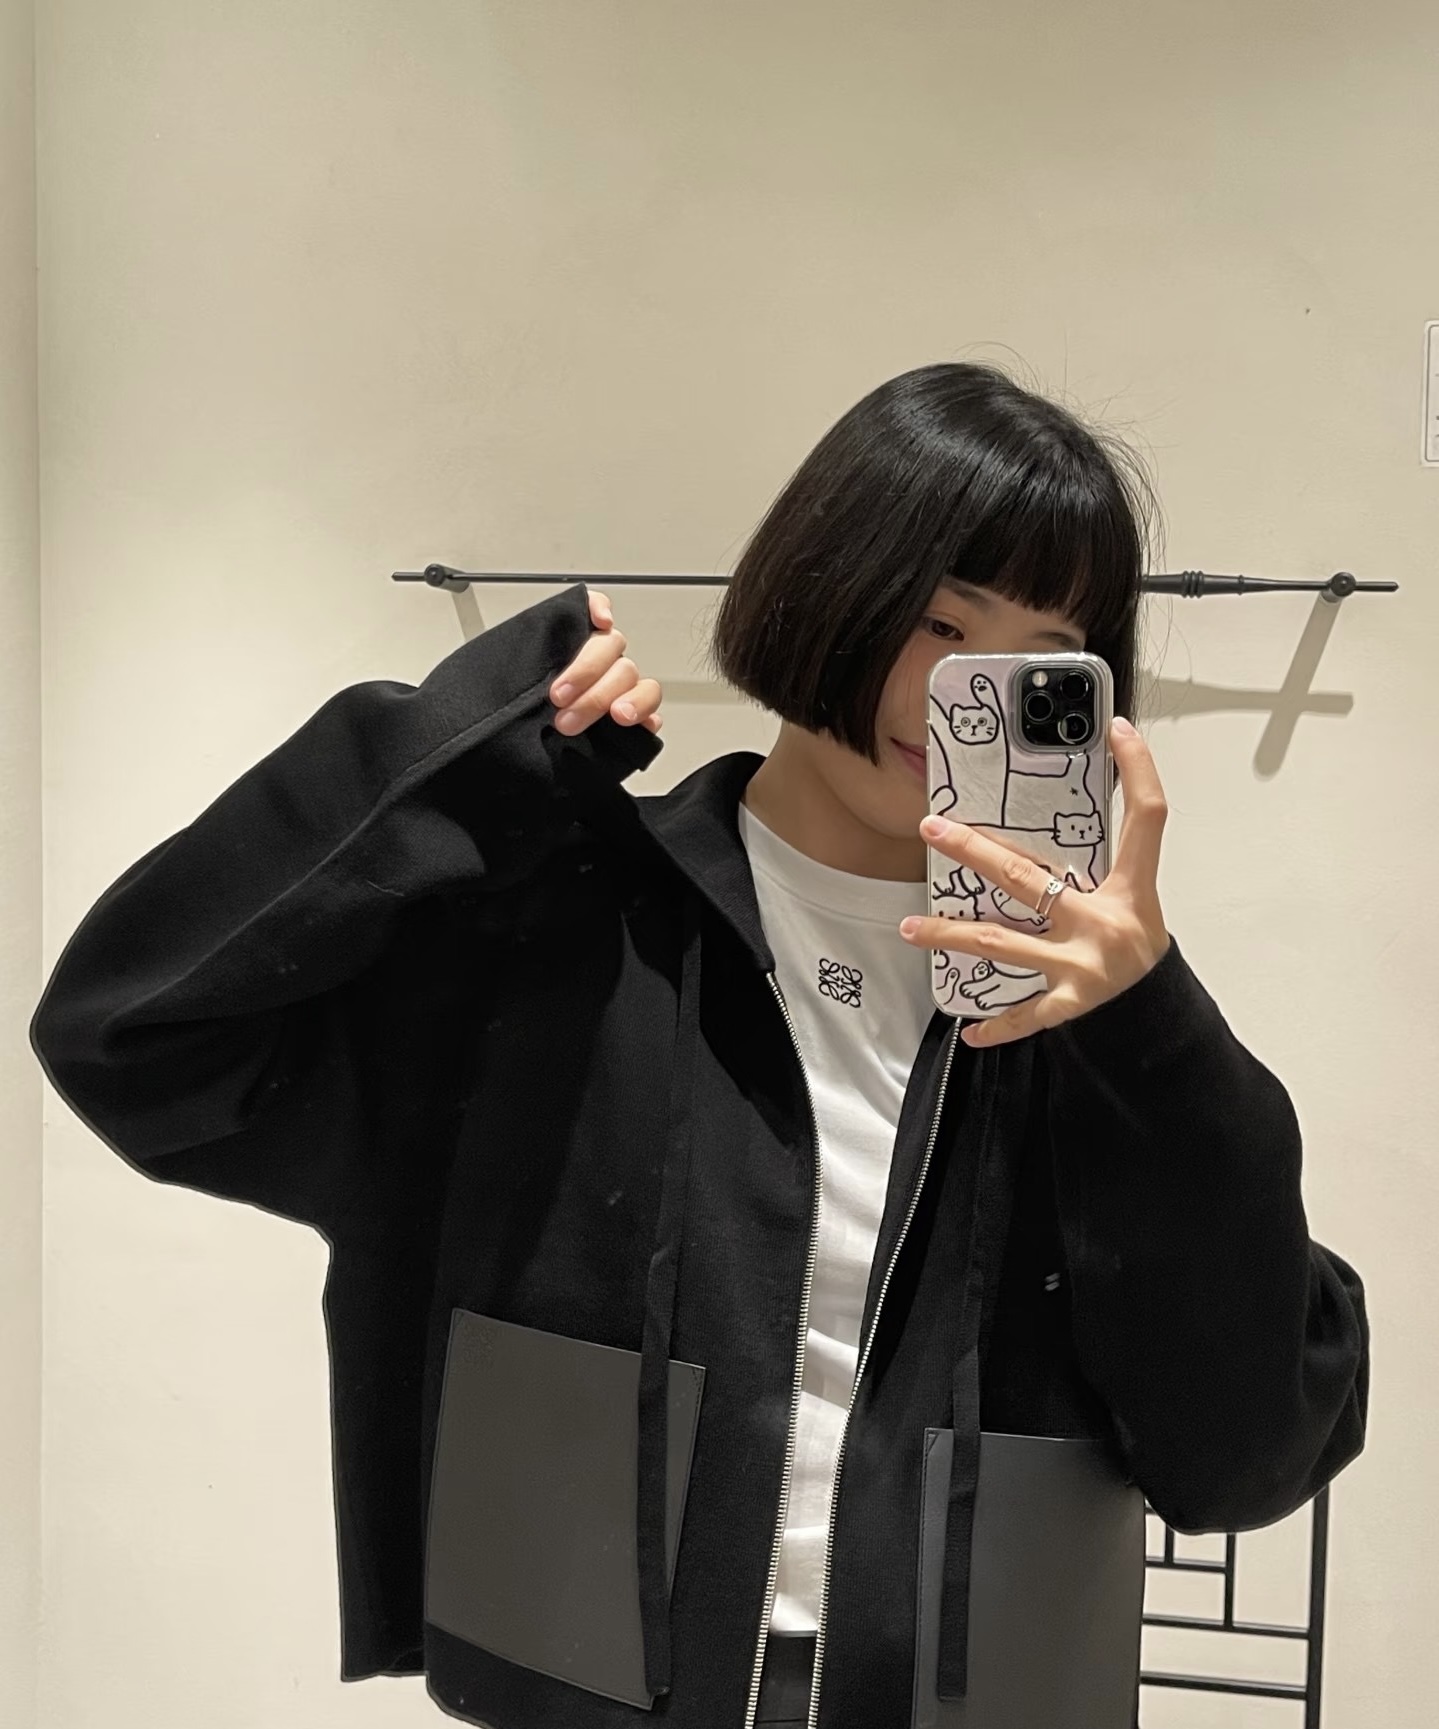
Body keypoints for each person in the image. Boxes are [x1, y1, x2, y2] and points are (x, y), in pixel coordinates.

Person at [30, 363, 1368, 1729]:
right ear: (829, 583)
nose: (969, 689)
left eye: (1040, 651)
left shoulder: (1086, 1028)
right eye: (937, 620)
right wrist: (465, 759)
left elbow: (1249, 1456)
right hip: (590, 1689)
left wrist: (1152, 1031)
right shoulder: (582, 925)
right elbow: (133, 1032)